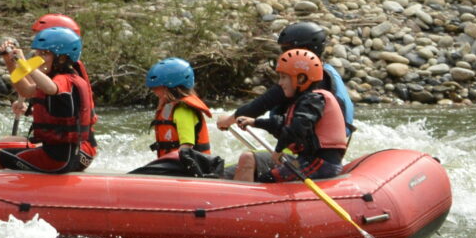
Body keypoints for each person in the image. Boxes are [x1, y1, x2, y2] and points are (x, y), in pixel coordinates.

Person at [229, 48, 350, 184]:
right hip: (310, 160)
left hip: (322, 164)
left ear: (301, 78)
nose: (280, 83)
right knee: (266, 177)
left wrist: (278, 150)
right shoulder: (306, 100)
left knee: (266, 180)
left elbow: (297, 129)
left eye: (284, 77)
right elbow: (283, 123)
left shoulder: (314, 100)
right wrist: (254, 122)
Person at [0, 26, 96, 173]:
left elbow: (50, 88)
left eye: (44, 54)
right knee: (9, 142)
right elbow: (26, 90)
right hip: (61, 154)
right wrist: (9, 61)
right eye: (37, 53)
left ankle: (0, 194)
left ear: (62, 58)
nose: (38, 58)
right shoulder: (58, 78)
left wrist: (24, 63)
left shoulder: (65, 80)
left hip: (58, 159)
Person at [229, 21, 355, 139]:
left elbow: (263, 103)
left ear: (305, 50)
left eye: (286, 50)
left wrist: (230, 119)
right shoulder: (324, 70)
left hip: (319, 146)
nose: (282, 55)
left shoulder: (309, 79)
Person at [129, 57, 224, 178]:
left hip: (192, 168)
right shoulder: (170, 107)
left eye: (156, 87)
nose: (153, 90)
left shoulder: (183, 111)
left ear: (170, 87)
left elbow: (186, 148)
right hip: (178, 167)